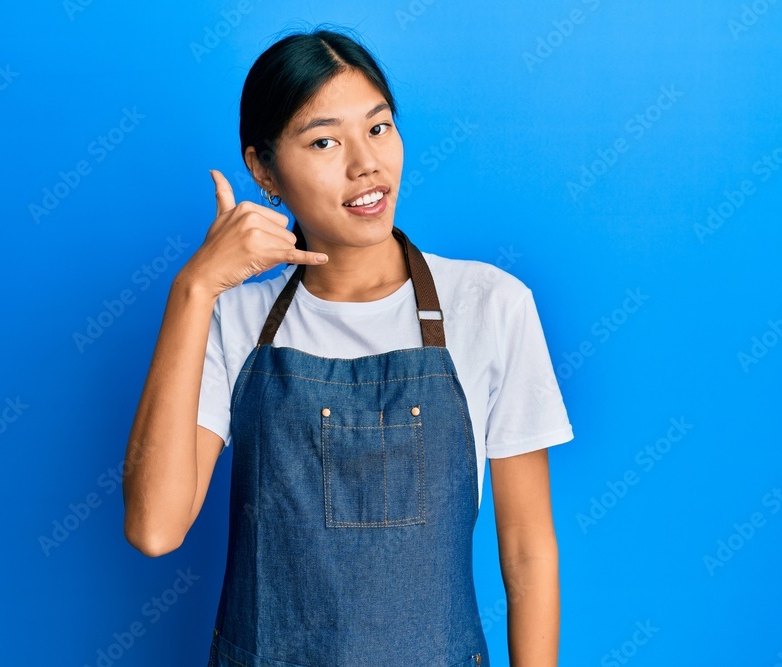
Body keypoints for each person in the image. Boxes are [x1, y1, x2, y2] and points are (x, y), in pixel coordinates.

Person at [122, 26, 574, 666]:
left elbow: (528, 546)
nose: (366, 164)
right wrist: (194, 287)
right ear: (263, 169)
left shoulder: (491, 304)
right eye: (325, 140)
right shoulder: (233, 317)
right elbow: (154, 527)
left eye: (380, 128)